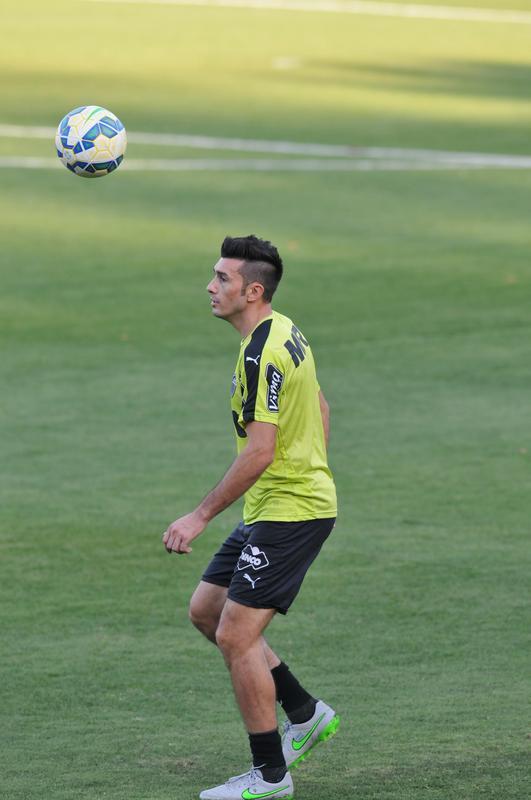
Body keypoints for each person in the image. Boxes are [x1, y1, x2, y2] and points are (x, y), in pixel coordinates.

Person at [162, 234, 339, 800]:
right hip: (276, 505)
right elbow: (318, 403)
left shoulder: (263, 351)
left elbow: (259, 452)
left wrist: (199, 515)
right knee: (206, 611)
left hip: (290, 511)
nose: (211, 287)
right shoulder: (285, 330)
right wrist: (312, 463)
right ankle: (304, 712)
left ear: (252, 290)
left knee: (237, 635)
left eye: (222, 278)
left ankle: (270, 776)